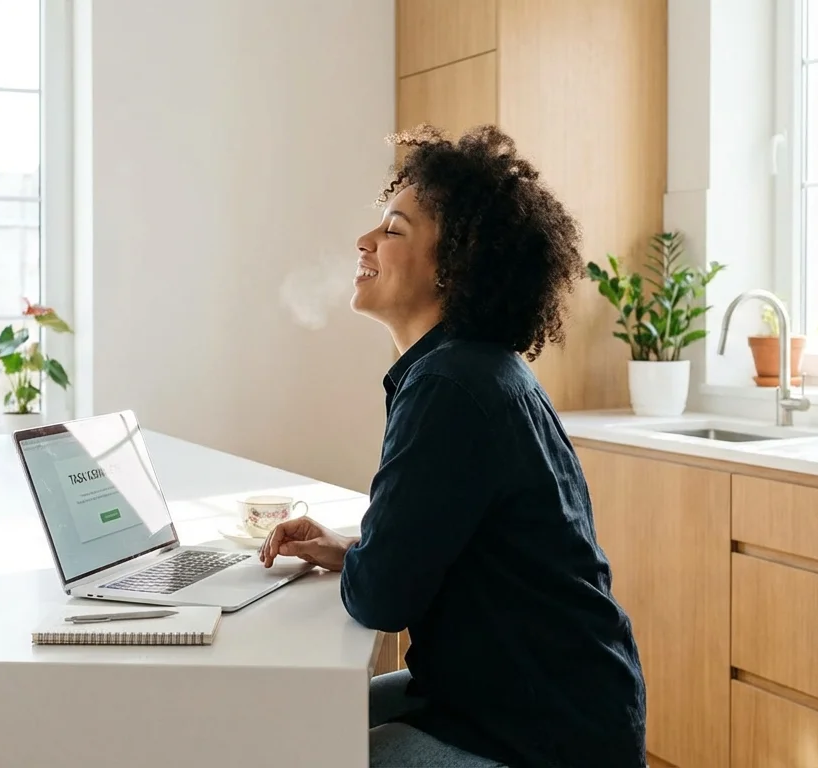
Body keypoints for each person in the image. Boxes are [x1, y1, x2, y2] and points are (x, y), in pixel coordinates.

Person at [259, 124, 647, 768]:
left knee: (297, 743)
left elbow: (383, 598)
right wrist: (352, 549)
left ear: (456, 266)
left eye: (394, 229)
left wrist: (367, 565)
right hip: (542, 705)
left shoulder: (449, 385)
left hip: (536, 736)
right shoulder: (473, 369)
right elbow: (439, 549)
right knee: (298, 719)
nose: (365, 242)